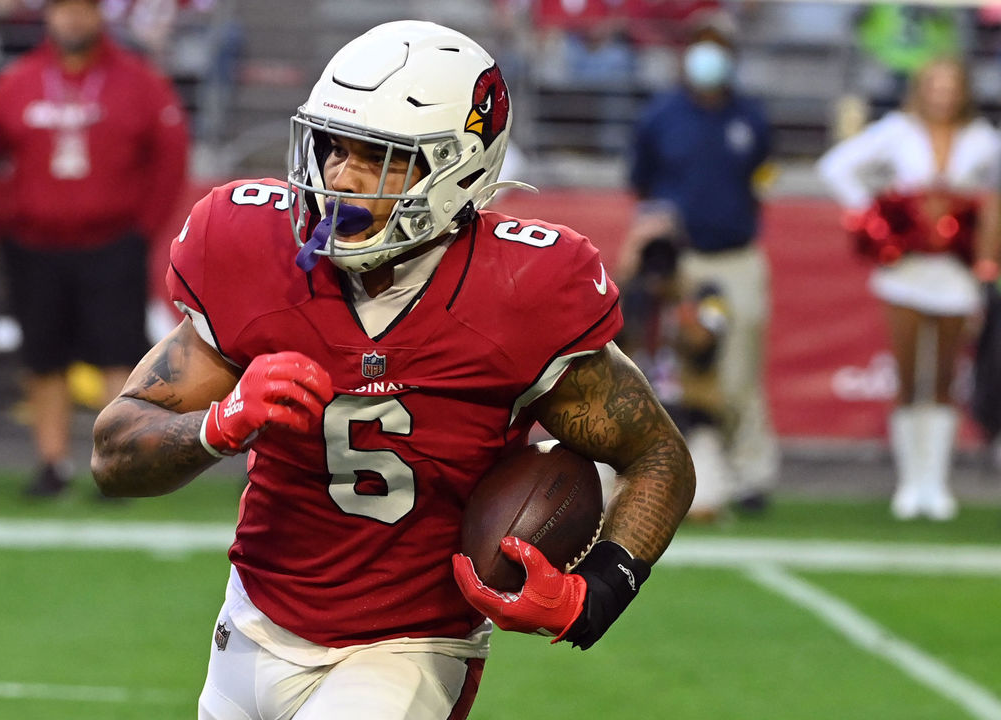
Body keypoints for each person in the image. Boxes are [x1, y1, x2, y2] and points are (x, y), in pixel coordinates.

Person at [91, 21, 695, 719]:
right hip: (252, 621)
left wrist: (599, 591)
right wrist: (219, 425)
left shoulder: (525, 287)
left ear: (458, 169)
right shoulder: (249, 243)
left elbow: (656, 455)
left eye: (376, 158)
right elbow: (113, 453)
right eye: (331, 147)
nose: (338, 179)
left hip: (408, 647)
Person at [0, 0, 189, 497]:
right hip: (34, 244)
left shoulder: (139, 80)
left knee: (117, 356)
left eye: (82, 9)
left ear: (100, 15)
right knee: (42, 358)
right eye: (63, 10)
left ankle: (115, 466)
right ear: (48, 17)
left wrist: (142, 228)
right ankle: (52, 464)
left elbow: (169, 158)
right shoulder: (17, 80)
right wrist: (7, 221)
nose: (72, 20)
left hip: (111, 242)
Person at [817, 57, 1001, 521]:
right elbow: (837, 166)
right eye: (935, 85)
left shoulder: (983, 138)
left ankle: (936, 483)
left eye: (951, 85)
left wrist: (982, 240)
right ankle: (909, 482)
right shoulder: (897, 130)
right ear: (922, 88)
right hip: (907, 268)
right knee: (907, 371)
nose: (943, 94)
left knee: (943, 376)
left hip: (956, 270)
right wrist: (877, 219)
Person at [628, 10, 778, 513]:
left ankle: (751, 473)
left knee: (740, 368)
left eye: (717, 45)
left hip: (737, 257)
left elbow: (762, 181)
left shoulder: (750, 117)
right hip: (684, 266)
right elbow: (642, 187)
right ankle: (690, 470)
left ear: (732, 56)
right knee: (685, 366)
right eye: (701, 44)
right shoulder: (660, 116)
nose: (708, 55)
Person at [616, 208, 732, 522]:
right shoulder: (624, 293)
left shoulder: (705, 292)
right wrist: (625, 288)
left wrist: (680, 304)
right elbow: (608, 345)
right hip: (633, 418)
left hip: (689, 418)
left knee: (701, 509)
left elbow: (704, 343)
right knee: (603, 505)